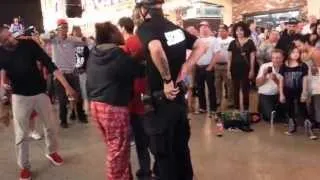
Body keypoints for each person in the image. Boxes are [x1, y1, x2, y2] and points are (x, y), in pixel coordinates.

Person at [134, 0, 207, 179]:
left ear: (144, 9)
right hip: (179, 100)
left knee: (163, 151)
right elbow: (202, 45)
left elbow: (156, 49)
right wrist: (186, 67)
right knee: (180, 146)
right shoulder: (173, 27)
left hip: (161, 100)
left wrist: (167, 80)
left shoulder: (145, 28)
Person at [0, 25, 77, 180]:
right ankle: (24, 166)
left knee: (51, 126)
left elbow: (50, 64)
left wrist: (67, 86)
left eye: (9, 34)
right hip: (19, 97)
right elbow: (3, 67)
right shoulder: (1, 53)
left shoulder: (28, 44)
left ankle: (52, 152)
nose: (11, 38)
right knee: (21, 134)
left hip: (40, 94)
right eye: (6, 38)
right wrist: (2, 84)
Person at [87, 21, 143, 180]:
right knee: (117, 151)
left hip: (96, 106)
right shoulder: (117, 54)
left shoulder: (95, 52)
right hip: (114, 108)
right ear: (112, 35)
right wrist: (140, 55)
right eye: (117, 31)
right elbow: (136, 71)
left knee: (115, 147)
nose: (121, 33)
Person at [118, 17, 153, 179]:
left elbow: (132, 73)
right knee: (143, 140)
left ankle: (136, 172)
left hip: (132, 99)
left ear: (123, 28)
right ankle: (145, 170)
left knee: (131, 141)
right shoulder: (138, 42)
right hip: (140, 97)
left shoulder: (128, 45)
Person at [41, 19, 88, 128]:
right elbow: (43, 37)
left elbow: (85, 41)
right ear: (58, 29)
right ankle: (63, 120)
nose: (64, 30)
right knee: (62, 99)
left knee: (78, 95)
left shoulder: (72, 39)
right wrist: (53, 32)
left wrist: (84, 38)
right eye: (62, 27)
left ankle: (81, 115)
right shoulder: (53, 39)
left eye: (66, 27)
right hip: (59, 74)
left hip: (72, 72)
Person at [279, 45, 317, 140]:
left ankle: (308, 128)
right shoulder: (284, 65)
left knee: (303, 109)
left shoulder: (302, 66)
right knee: (289, 108)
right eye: (293, 52)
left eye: (297, 52)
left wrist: (304, 92)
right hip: (287, 91)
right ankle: (292, 126)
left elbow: (305, 80)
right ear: (289, 54)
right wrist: (281, 94)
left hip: (299, 91)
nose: (296, 54)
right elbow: (281, 80)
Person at [228, 21, 256, 111]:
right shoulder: (232, 43)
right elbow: (229, 58)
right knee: (235, 89)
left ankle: (246, 109)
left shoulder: (250, 42)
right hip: (234, 69)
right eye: (237, 30)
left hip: (246, 69)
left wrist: (252, 70)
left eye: (241, 30)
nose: (239, 32)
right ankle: (236, 108)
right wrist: (228, 70)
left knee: (245, 90)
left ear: (245, 31)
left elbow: (252, 57)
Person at [194, 21, 219, 115]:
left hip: (209, 67)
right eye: (202, 27)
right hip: (198, 67)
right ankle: (202, 107)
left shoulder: (213, 40)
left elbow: (217, 54)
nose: (204, 28)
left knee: (211, 88)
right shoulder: (196, 40)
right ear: (199, 29)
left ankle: (213, 108)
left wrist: (210, 66)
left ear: (209, 28)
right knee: (200, 89)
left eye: (206, 27)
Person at [207, 24, 234, 108]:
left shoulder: (231, 40)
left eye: (222, 31)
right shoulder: (216, 40)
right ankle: (218, 100)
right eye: (219, 31)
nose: (220, 32)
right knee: (217, 85)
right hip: (217, 66)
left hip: (227, 66)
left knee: (229, 85)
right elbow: (212, 52)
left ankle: (230, 101)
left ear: (227, 31)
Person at [256, 49, 284, 121]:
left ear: (282, 58)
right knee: (270, 117)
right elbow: (258, 84)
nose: (275, 60)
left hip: (278, 95)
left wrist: (275, 79)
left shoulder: (284, 68)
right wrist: (264, 75)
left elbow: (284, 86)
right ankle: (262, 108)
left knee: (283, 116)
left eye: (278, 58)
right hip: (265, 95)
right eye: (273, 58)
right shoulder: (264, 66)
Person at [71, 26, 90, 114]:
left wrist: (85, 68)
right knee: (75, 90)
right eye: (76, 31)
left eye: (79, 31)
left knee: (84, 89)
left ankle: (85, 108)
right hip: (73, 70)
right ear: (73, 32)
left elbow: (87, 56)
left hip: (82, 70)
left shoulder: (83, 43)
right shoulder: (70, 43)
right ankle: (74, 111)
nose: (78, 32)